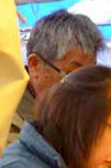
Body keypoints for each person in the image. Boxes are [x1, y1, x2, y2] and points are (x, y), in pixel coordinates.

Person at [12, 10, 105, 139]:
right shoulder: (2, 122)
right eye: (72, 76)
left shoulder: (95, 110)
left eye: (90, 75)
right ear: (35, 66)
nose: (85, 88)